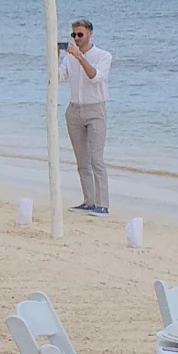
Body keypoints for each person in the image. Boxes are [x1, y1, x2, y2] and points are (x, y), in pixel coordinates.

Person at [59, 18, 113, 216]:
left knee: (96, 158)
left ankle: (103, 204)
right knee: (82, 160)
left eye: (80, 35)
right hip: (74, 110)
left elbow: (95, 76)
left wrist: (80, 57)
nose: (76, 38)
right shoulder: (69, 58)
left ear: (89, 34)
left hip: (95, 110)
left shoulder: (103, 56)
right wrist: (54, 57)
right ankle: (89, 201)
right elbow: (58, 77)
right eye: (74, 35)